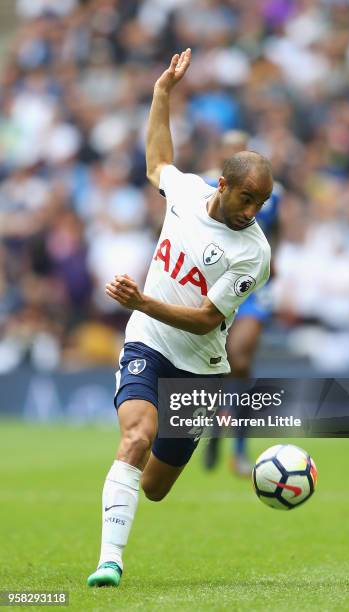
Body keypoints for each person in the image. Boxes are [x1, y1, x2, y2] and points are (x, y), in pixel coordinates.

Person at [87, 48, 273, 587]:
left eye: (261, 202)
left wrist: (142, 298)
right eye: (246, 198)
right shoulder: (187, 192)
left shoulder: (253, 255)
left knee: (155, 486)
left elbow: (205, 320)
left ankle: (128, 480)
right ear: (222, 185)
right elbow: (155, 163)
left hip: (201, 367)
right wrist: (162, 93)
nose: (252, 211)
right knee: (136, 438)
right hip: (148, 342)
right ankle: (109, 562)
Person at [202, 130, 281, 476]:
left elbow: (276, 234)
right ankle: (218, 430)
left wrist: (272, 263)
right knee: (220, 365)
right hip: (216, 280)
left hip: (252, 286)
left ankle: (238, 447)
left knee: (240, 358)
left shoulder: (271, 196)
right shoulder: (205, 187)